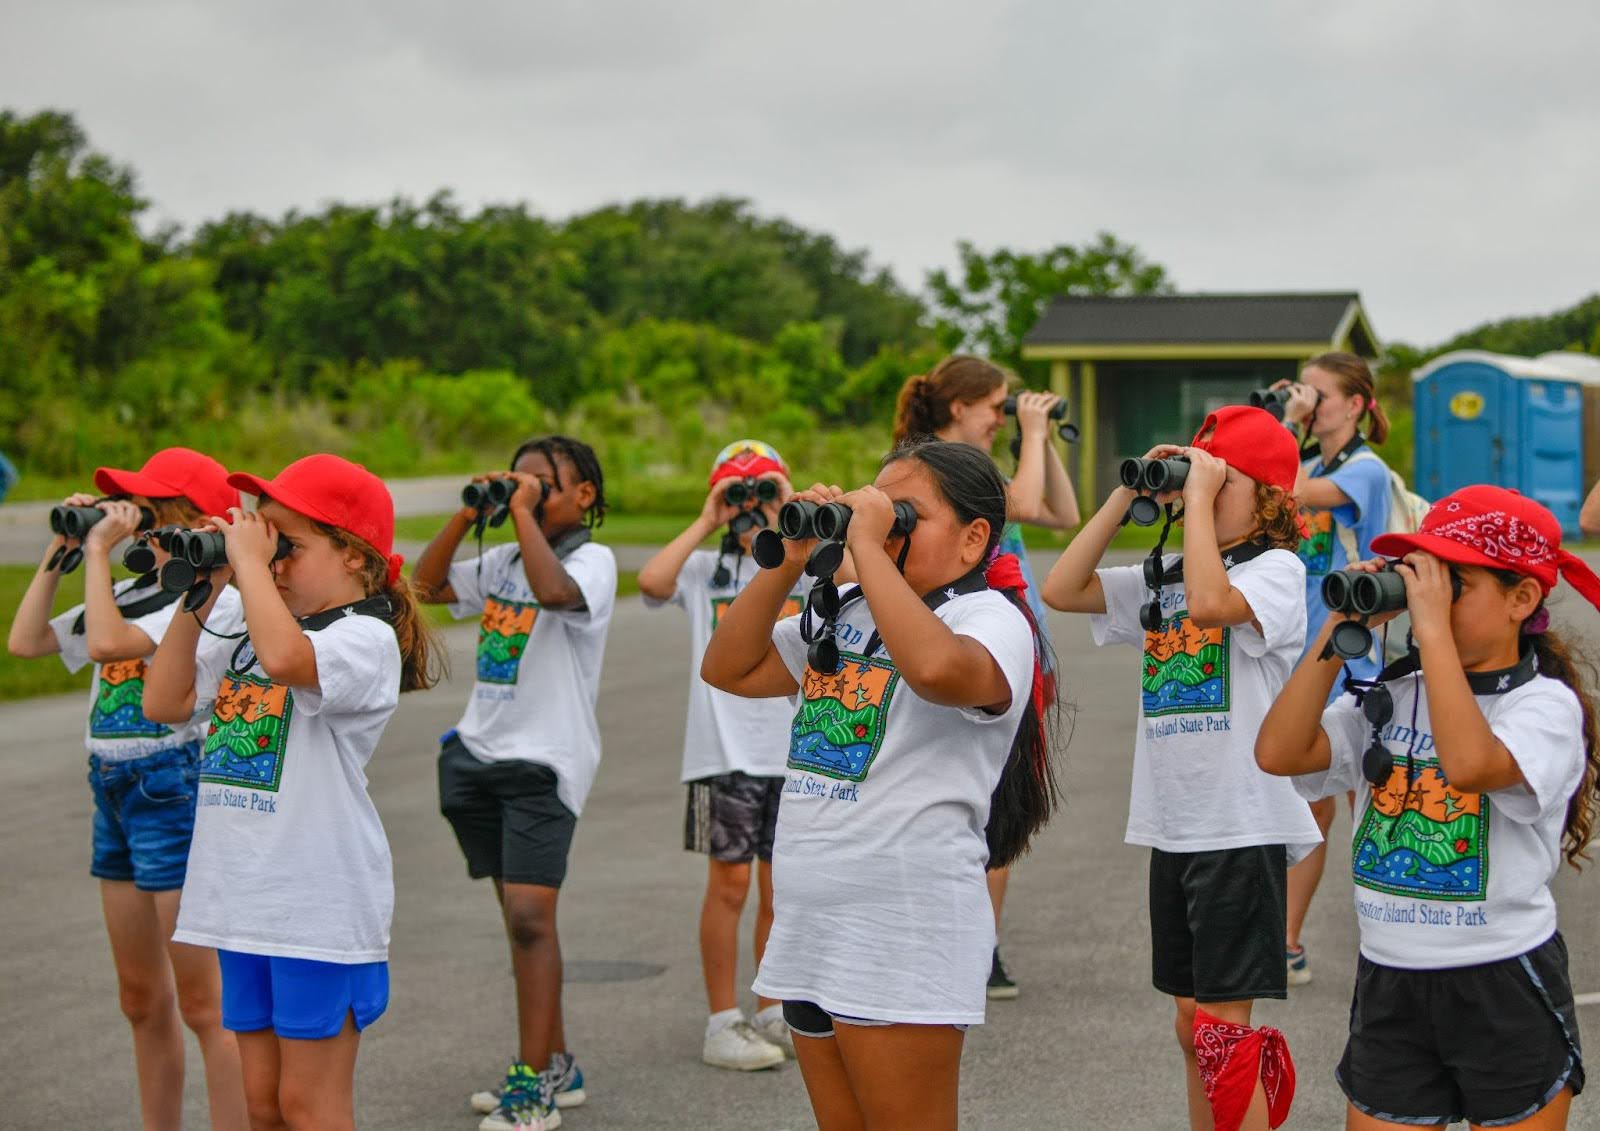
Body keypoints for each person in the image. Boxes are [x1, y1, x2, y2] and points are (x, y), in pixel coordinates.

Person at [702, 439, 1058, 1130]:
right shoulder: (850, 609)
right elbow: (730, 667)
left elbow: (935, 669)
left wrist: (864, 540)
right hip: (815, 925)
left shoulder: (989, 617)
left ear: (973, 537)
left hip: (902, 933)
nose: (886, 529)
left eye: (905, 517)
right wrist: (793, 564)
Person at [1255, 484, 1594, 1130]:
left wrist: (1431, 629)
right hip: (1392, 976)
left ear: (1522, 598)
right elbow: (1279, 750)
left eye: (1451, 582)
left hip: (1503, 980)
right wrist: (1336, 631)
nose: (1423, 598)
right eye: (1418, 577)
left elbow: (1468, 763)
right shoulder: (1394, 691)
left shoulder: (1544, 706)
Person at [142, 453, 441, 1131]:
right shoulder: (250, 631)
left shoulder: (364, 640)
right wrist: (203, 588)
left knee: (310, 1107)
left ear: (358, 560)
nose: (272, 563)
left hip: (316, 912)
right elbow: (164, 700)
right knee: (264, 1106)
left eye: (288, 547)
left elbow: (288, 661)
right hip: (242, 902)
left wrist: (248, 568)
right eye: (265, 543)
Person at [1042, 406, 1319, 1131]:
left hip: (1240, 819)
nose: (1194, 486)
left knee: (1222, 1032)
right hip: (1177, 821)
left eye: (1215, 476)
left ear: (1263, 494)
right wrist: (1124, 497)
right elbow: (1062, 589)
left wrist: (1197, 500)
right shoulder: (1168, 571)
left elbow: (1210, 601)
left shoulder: (1278, 571)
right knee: (1191, 1022)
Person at [6, 448, 249, 1131]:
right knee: (141, 998)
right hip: (111, 789)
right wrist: (64, 551)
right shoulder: (130, 590)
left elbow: (110, 643)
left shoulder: (203, 597)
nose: (131, 522)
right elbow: (25, 641)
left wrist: (103, 554)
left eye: (147, 510)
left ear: (193, 520)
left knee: (206, 1005)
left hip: (170, 785)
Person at [412, 436, 616, 1131]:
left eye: (543, 484)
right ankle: (556, 1061)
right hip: (479, 754)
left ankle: (530, 1085)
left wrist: (521, 511)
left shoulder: (593, 560)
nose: (523, 492)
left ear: (584, 493)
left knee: (531, 921)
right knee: (522, 926)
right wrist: (470, 515)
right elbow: (427, 585)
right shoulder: (500, 558)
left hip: (543, 762)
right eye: (515, 482)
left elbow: (555, 593)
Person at [892, 353, 1081, 998]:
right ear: (958, 408)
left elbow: (1061, 513)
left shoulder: (986, 469)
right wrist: (1031, 435)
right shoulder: (940, 477)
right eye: (997, 406)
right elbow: (1025, 502)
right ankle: (973, 944)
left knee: (1004, 806)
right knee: (979, 800)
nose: (1003, 417)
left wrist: (1044, 436)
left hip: (1014, 647)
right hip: (969, 646)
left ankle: (983, 940)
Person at [638, 440, 802, 1071]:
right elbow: (652, 580)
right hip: (726, 750)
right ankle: (721, 1020)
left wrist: (789, 517)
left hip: (793, 755)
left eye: (764, 491)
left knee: (781, 889)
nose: (749, 506)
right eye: (738, 494)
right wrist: (708, 519)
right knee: (729, 885)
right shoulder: (706, 571)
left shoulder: (800, 567)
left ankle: (773, 1007)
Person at [1271, 351, 1395, 987]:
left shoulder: (1366, 471)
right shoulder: (1314, 460)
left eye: (1318, 395)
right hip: (1308, 647)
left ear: (1355, 405)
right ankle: (1287, 942)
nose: (1308, 403)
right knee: (1310, 806)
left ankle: (1394, 930)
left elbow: (1283, 487)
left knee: (1368, 800)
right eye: (1302, 393)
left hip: (1357, 653)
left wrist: (1286, 425)